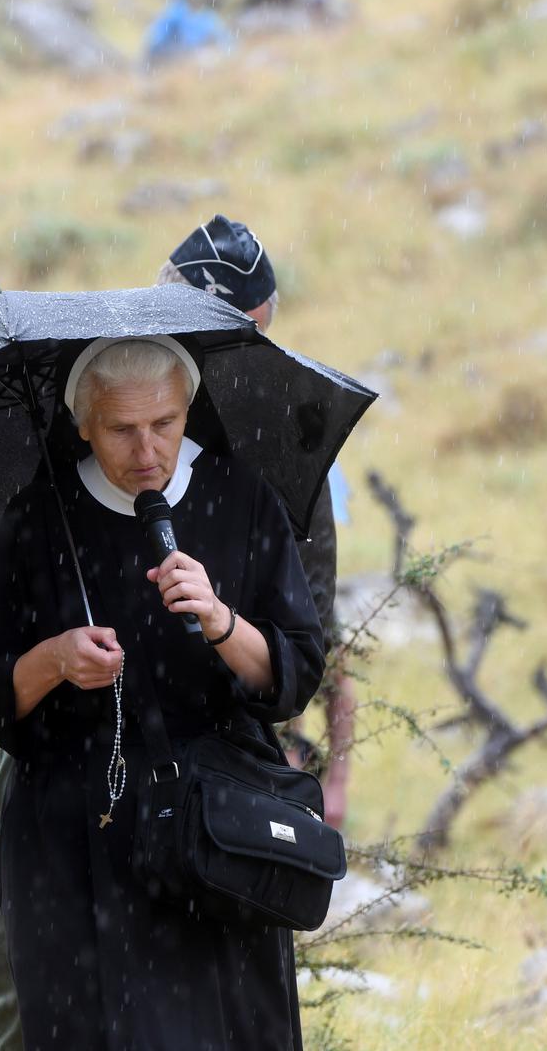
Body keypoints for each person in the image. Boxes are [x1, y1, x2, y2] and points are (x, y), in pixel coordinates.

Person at [0, 335, 325, 1049]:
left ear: (188, 409)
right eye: (122, 429)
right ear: (84, 424)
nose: (146, 448)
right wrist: (53, 661)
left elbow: (293, 671)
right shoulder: (34, 516)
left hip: (215, 826)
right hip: (72, 832)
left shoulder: (239, 497)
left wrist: (221, 622)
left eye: (165, 424)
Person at [158, 215, 355, 825]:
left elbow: (316, 645)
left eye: (241, 340)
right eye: (196, 336)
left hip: (234, 758)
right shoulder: (99, 401)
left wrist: (330, 778)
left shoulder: (289, 452)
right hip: (99, 752)